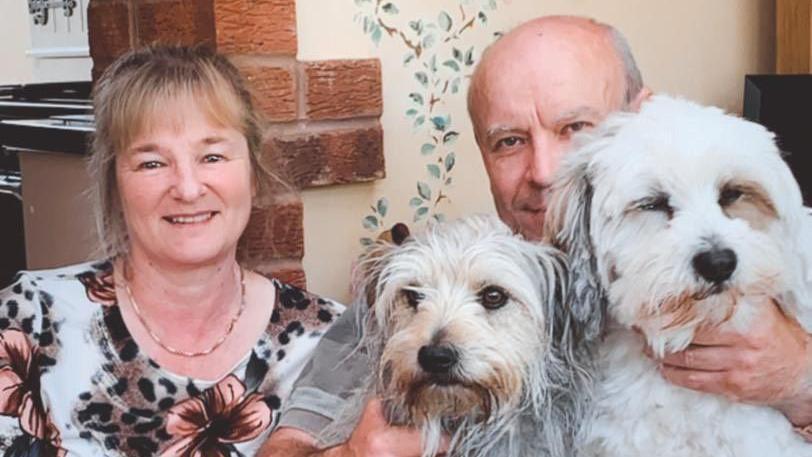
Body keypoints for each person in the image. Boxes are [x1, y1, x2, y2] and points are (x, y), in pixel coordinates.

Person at [261, 15, 812, 456]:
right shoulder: (419, 293)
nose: (545, 170)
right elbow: (286, 445)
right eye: (508, 142)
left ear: (642, 116)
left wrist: (799, 379)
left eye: (575, 127)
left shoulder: (763, 260)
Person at [0, 45, 343, 456]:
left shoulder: (329, 341)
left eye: (212, 156)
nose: (187, 188)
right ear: (115, 186)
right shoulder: (29, 320)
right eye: (152, 163)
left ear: (252, 174)